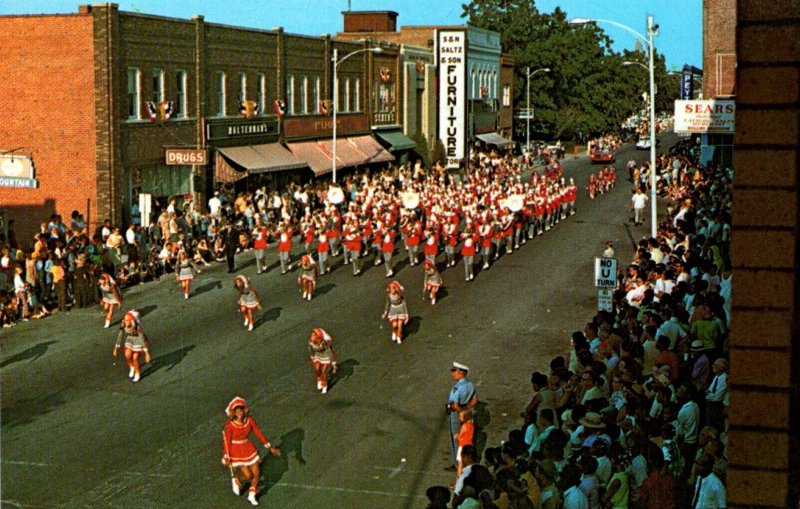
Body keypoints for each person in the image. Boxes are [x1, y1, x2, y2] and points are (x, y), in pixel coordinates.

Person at [221, 397, 282, 506]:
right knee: (248, 476)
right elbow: (226, 441)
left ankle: (252, 494)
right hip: (236, 451)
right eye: (237, 410)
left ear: (245, 410)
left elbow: (258, 433)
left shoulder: (250, 421)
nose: (239, 412)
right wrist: (226, 456)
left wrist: (270, 447)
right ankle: (238, 480)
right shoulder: (230, 426)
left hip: (248, 448)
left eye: (241, 409)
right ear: (233, 412)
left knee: (257, 473)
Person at [446, 362, 478, 471]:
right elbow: (474, 400)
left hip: (457, 414)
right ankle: (468, 459)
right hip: (467, 413)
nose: (453, 374)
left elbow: (455, 405)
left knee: (456, 439)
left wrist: (460, 412)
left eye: (454, 371)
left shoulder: (456, 388)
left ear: (461, 372)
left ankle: (457, 464)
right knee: (467, 438)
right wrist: (467, 409)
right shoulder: (470, 385)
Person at [112, 310, 151, 383]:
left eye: (127, 320)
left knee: (135, 358)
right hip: (130, 339)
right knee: (127, 355)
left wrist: (147, 353)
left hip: (139, 341)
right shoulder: (123, 324)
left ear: (131, 320)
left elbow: (142, 339)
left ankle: (137, 373)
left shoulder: (137, 327)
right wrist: (116, 348)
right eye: (125, 320)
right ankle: (132, 366)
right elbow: (120, 335)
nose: (125, 321)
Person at [307, 327, 338, 394]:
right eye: (312, 334)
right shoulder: (311, 342)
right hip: (318, 356)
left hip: (326, 357)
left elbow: (329, 353)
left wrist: (333, 363)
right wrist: (312, 356)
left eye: (314, 335)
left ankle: (324, 385)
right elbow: (310, 348)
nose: (311, 336)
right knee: (317, 369)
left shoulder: (323, 343)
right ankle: (319, 380)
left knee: (323, 372)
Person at [454, 409, 475, 478]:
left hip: (462, 446)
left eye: (461, 416)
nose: (459, 418)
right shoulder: (472, 426)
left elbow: (460, 437)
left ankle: (458, 479)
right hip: (469, 445)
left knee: (460, 464)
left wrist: (456, 436)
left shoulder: (464, 426)